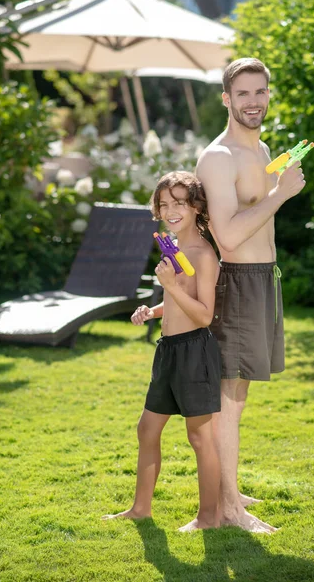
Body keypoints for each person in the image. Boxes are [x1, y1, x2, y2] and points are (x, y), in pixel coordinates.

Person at [196, 57, 307, 533]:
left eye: (260, 92)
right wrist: (281, 194)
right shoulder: (218, 158)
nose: (253, 101)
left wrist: (276, 185)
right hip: (237, 282)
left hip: (263, 278)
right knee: (227, 398)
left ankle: (229, 489)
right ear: (226, 98)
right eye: (243, 93)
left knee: (237, 395)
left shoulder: (262, 149)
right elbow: (228, 237)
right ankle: (228, 511)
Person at [102, 171, 222, 532]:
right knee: (147, 429)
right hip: (168, 350)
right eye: (164, 204)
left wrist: (169, 284)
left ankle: (208, 518)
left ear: (196, 207)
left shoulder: (203, 255)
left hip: (194, 353)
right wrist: (153, 310)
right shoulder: (173, 245)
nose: (170, 210)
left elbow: (203, 316)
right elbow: (178, 302)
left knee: (200, 437)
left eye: (180, 204)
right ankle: (141, 509)